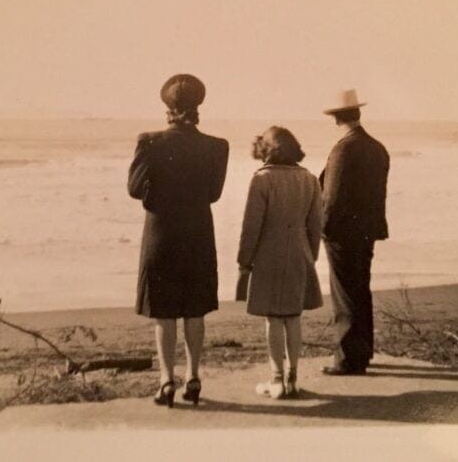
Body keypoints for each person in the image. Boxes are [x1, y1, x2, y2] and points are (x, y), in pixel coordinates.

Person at [128, 74, 229, 408]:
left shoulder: (149, 141)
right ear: (198, 106)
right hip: (198, 232)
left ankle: (166, 380)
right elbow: (213, 193)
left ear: (167, 109)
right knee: (194, 309)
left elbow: (134, 189)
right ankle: (194, 376)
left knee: (164, 311)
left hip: (161, 233)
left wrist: (158, 194)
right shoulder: (218, 145)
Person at [237, 127, 323, 399]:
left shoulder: (261, 179)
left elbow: (251, 227)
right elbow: (316, 226)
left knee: (273, 318)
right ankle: (293, 378)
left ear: (267, 150)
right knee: (293, 317)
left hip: (268, 255)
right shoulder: (310, 179)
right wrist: (311, 256)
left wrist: (244, 262)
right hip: (300, 253)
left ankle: (276, 380)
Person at [319, 89, 389, 376]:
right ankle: (362, 352)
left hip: (342, 233)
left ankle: (348, 358)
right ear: (357, 113)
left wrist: (321, 230)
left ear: (336, 118)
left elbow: (331, 199)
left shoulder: (343, 149)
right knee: (360, 290)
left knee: (345, 295)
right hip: (367, 230)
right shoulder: (377, 147)